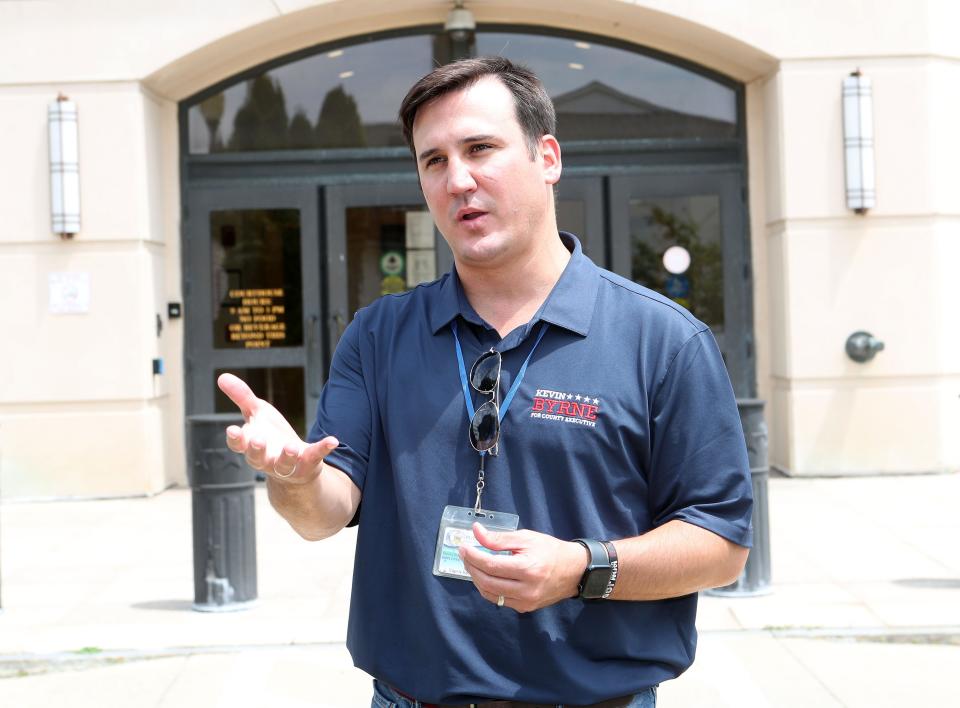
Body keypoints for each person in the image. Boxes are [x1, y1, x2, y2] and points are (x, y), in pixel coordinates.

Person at [218, 57, 753, 708]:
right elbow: (324, 511)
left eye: (480, 149)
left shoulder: (663, 341)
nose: (458, 179)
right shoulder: (379, 335)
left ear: (547, 157)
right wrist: (293, 480)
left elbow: (720, 544)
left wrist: (581, 568)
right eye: (433, 161)